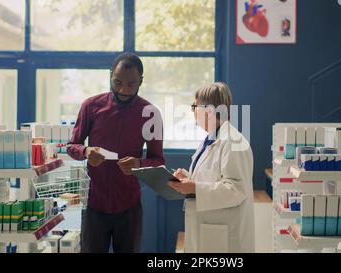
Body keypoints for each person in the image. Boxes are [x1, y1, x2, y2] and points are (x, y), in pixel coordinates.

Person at [67, 53, 165, 253]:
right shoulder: (91, 106)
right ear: (110, 75)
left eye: (131, 84)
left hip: (129, 206)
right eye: (117, 82)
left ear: (141, 82)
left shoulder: (151, 114)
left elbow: (158, 160)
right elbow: (72, 146)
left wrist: (139, 164)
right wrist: (86, 151)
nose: (123, 90)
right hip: (94, 203)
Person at [168, 82, 255, 253]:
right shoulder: (210, 139)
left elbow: (235, 190)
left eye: (195, 106)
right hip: (208, 230)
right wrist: (187, 179)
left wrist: (194, 187)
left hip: (225, 238)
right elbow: (211, 177)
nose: (192, 111)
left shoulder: (233, 142)